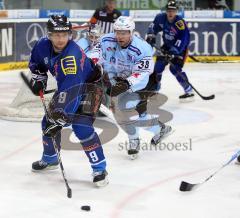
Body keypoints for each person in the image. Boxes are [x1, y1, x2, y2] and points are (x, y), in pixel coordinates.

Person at [29, 15, 108, 187]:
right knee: (48, 122)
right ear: (49, 34)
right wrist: (39, 78)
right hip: (69, 86)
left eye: (64, 34)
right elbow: (36, 63)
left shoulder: (71, 58)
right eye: (56, 35)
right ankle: (50, 159)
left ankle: (99, 168)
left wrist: (61, 118)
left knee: (81, 127)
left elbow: (72, 92)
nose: (60, 39)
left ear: (70, 34)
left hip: (90, 87)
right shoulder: (42, 45)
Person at [98, 16, 172, 159]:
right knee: (140, 114)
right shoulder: (107, 40)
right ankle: (161, 129)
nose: (120, 36)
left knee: (126, 109)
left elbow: (143, 74)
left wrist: (126, 84)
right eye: (118, 32)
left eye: (124, 32)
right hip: (122, 79)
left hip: (144, 83)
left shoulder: (142, 48)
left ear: (131, 32)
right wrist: (109, 79)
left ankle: (134, 141)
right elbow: (105, 60)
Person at [146, 0, 194, 102]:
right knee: (158, 68)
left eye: (173, 10)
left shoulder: (180, 23)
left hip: (180, 50)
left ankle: (189, 91)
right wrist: (151, 36)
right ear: (166, 11)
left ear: (176, 11)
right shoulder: (161, 18)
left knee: (175, 69)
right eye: (169, 10)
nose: (170, 13)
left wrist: (174, 51)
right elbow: (153, 27)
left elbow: (185, 39)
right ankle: (155, 90)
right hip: (167, 47)